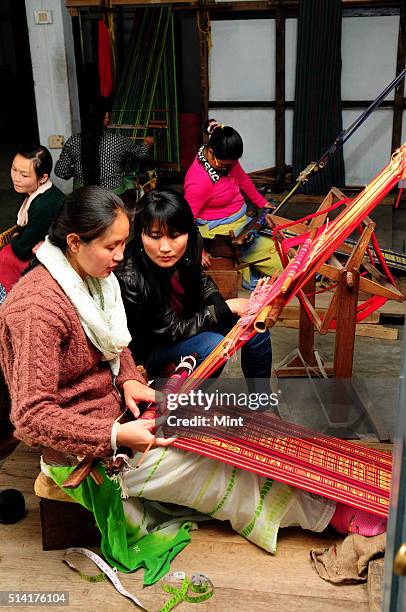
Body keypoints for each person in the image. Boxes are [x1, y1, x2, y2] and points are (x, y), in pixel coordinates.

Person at [0, 186, 386, 585]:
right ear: (76, 242)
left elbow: (118, 344)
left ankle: (337, 482)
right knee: (222, 469)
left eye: (123, 243)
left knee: (234, 429)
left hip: (124, 411)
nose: (121, 255)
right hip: (93, 451)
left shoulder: (92, 277)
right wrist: (114, 434)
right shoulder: (37, 309)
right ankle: (335, 513)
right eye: (113, 246)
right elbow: (31, 416)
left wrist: (130, 380)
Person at [115, 188, 273, 387]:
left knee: (253, 324)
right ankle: (179, 407)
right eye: (155, 236)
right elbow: (171, 331)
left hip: (187, 321)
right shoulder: (128, 275)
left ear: (188, 232)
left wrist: (223, 306)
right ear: (140, 235)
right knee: (213, 346)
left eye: (174, 235)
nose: (165, 247)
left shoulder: (191, 244)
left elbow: (200, 279)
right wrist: (227, 307)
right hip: (152, 349)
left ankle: (260, 405)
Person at [184, 119, 282, 289]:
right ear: (212, 152)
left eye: (233, 163)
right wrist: (197, 251)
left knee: (282, 235)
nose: (230, 167)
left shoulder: (225, 161)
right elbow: (185, 219)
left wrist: (262, 203)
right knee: (281, 257)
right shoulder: (198, 182)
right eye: (226, 164)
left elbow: (242, 179)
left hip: (241, 220)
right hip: (221, 232)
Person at [54, 96, 154, 198]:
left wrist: (80, 171)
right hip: (111, 197)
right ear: (105, 116)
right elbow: (142, 152)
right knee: (131, 185)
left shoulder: (73, 141)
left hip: (83, 196)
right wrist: (147, 143)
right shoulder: (117, 141)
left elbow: (60, 171)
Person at [0, 144, 64, 302]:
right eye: (14, 169)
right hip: (36, 245)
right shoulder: (34, 193)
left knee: (5, 255)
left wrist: (15, 236)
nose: (16, 178)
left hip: (54, 257)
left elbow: (22, 249)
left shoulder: (43, 205)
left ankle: (10, 301)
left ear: (43, 178)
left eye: (24, 174)